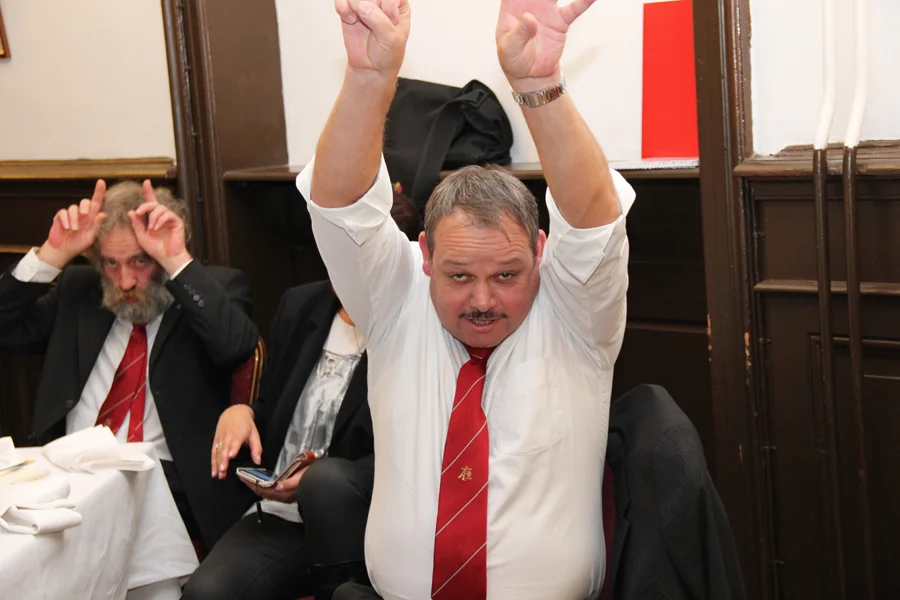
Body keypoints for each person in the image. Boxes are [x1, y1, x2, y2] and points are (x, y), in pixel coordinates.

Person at [298, 0, 636, 598]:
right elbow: (341, 207)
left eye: (506, 274)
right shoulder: (396, 299)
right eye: (458, 276)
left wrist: (537, 83)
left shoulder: (576, 313)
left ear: (539, 252)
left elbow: (594, 223)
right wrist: (370, 78)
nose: (483, 300)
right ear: (425, 255)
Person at [181, 190, 421, 600]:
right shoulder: (302, 304)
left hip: (363, 520)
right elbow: (275, 406)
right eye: (336, 254)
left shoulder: (419, 327)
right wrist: (243, 411)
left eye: (362, 258)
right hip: (281, 515)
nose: (345, 271)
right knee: (206, 592)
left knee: (326, 485)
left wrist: (317, 479)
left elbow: (417, 452)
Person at [0, 179, 259, 554]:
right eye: (111, 263)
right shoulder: (79, 291)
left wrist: (175, 260)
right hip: (68, 473)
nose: (124, 281)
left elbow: (238, 348)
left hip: (162, 482)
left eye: (140, 261)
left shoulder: (213, 288)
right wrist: (52, 255)